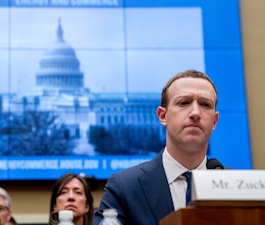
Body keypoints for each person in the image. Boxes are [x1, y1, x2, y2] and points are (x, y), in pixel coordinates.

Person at [92, 69, 221, 225]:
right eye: (184, 103)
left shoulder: (238, 187)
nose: (195, 113)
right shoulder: (124, 187)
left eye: (205, 104)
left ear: (214, 121)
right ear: (162, 116)